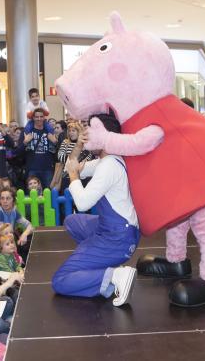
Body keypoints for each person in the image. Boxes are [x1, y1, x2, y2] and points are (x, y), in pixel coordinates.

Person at [51, 114, 140, 307]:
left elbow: (82, 202)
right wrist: (78, 147)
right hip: (113, 229)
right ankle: (96, 265)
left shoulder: (108, 166)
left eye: (90, 132)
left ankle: (116, 275)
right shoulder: (107, 160)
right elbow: (71, 166)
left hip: (118, 239)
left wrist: (74, 175)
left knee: (60, 280)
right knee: (71, 222)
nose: (86, 135)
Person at [0, 188, 33, 261]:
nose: (5, 201)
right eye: (2, 198)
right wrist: (15, 252)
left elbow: (30, 226)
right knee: (21, 249)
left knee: (29, 238)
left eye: (8, 198)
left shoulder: (14, 211)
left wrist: (24, 234)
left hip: (6, 242)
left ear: (13, 199)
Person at [54, 121, 94, 192]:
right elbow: (60, 156)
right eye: (69, 131)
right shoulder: (65, 142)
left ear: (79, 131)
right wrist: (73, 158)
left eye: (73, 131)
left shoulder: (85, 143)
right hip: (66, 176)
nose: (71, 133)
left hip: (82, 176)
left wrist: (72, 160)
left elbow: (89, 158)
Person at [23, 108, 58, 189]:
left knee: (48, 193)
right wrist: (25, 142)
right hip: (32, 168)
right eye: (36, 117)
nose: (39, 119)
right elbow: (19, 151)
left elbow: (58, 151)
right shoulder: (27, 132)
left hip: (48, 168)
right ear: (33, 118)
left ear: (44, 117)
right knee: (32, 195)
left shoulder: (50, 131)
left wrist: (55, 142)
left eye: (41, 116)